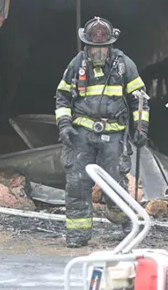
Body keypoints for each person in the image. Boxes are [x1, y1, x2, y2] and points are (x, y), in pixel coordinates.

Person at [55, 17, 150, 248]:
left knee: (116, 185)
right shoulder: (76, 64)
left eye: (103, 47)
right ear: (86, 45)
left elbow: (140, 100)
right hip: (81, 135)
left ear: (110, 45)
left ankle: (128, 226)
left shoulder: (124, 65)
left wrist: (141, 128)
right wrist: (65, 125)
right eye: (93, 47)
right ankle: (78, 235)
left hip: (114, 135)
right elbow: (62, 96)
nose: (98, 52)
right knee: (77, 184)